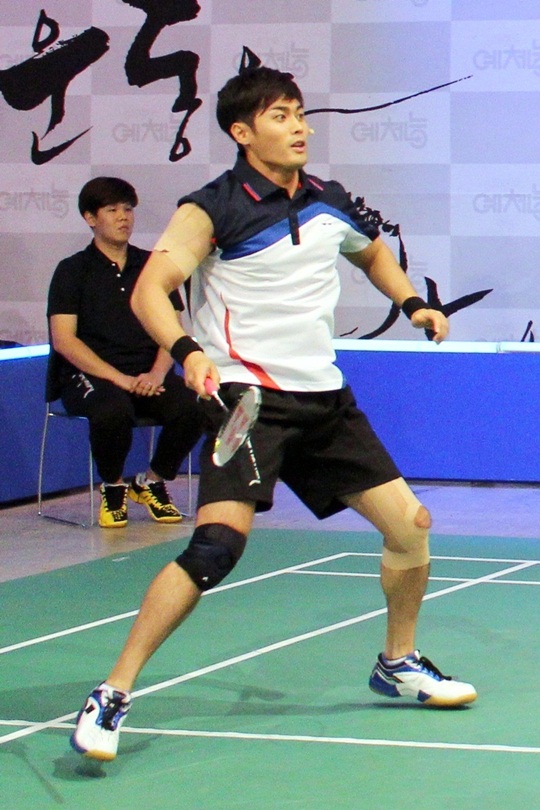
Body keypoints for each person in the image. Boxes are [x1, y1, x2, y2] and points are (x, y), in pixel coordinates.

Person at [70, 68, 477, 760]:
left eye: (299, 114)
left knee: (410, 527)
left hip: (324, 399)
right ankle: (112, 692)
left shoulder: (328, 199)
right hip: (249, 402)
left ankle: (397, 662)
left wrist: (413, 304)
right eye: (281, 116)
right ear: (242, 131)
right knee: (215, 550)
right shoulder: (212, 208)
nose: (300, 127)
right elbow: (150, 291)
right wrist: (187, 351)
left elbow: (372, 253)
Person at [47, 176, 202, 528]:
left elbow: (173, 330)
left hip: (148, 374)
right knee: (112, 410)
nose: (123, 217)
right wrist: (119, 379)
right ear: (90, 218)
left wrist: (157, 373)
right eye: (112, 210)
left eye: (128, 209)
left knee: (194, 405)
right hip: (92, 376)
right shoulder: (72, 270)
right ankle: (113, 487)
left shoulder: (153, 266)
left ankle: (151, 481)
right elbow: (64, 340)